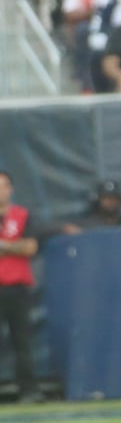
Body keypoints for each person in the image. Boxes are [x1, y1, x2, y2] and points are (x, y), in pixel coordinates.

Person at [0, 171, 46, 404]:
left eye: (4, 185)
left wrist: (4, 245)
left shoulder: (22, 216)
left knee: (23, 342)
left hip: (17, 287)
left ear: (11, 189)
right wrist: (13, 246)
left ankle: (28, 390)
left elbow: (30, 247)